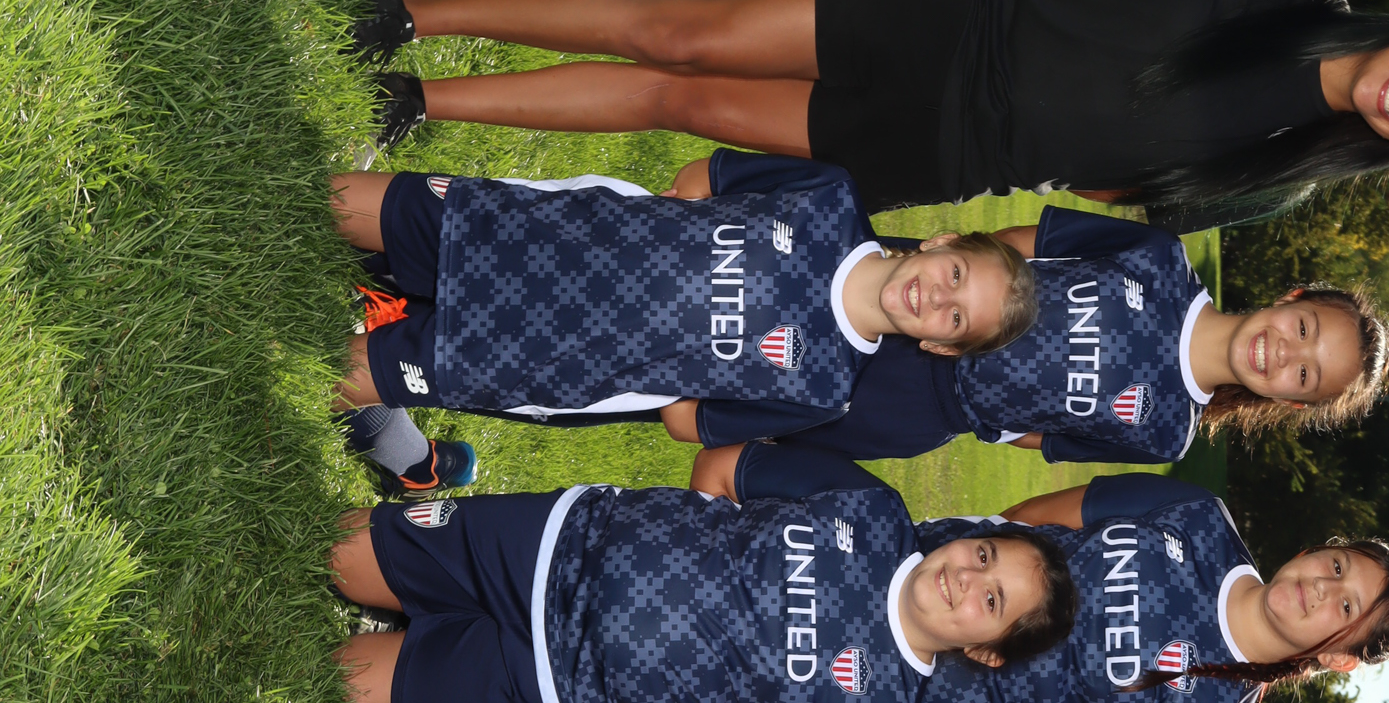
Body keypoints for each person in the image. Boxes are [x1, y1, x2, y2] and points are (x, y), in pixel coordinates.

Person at [346, 0, 1389, 221]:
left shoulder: (1281, 172)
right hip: (950, 20)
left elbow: (1129, 191)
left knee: (679, 103)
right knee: (679, 34)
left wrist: (1030, 146)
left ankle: (420, 100)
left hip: (946, 150)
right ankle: (411, 14)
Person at [327, 442, 1074, 703]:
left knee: (337, 680)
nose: (966, 578)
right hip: (554, 543)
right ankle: (416, 673)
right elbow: (725, 469)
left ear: (987, 651)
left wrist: (693, 680)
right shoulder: (874, 511)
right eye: (984, 554)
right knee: (336, 552)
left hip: (562, 686)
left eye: (991, 602)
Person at [697, 460, 1389, 703]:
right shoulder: (1199, 518)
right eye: (1337, 567)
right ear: (1317, 549)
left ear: (1337, 659)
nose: (1320, 588)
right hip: (914, 577)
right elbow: (1037, 521)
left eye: (1344, 606)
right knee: (732, 587)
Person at [330, 155, 1033, 432]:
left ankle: (387, 314)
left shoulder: (825, 389)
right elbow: (705, 178)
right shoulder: (831, 197)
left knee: (329, 376)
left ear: (940, 346)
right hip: (532, 234)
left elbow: (688, 420)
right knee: (326, 200)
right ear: (943, 241)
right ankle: (386, 284)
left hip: (534, 355)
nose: (935, 298)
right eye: (956, 276)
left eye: (954, 317)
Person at [699, 211, 1389, 467]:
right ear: (1292, 298)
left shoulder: (1165, 436)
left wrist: (979, 407)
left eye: (1305, 375)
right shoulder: (1160, 259)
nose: (1285, 353)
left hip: (917, 408)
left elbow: (1046, 439)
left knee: (729, 410)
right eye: (1305, 329)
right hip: (918, 301)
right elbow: (1019, 245)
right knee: (731, 301)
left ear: (1293, 401)